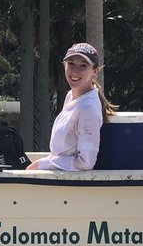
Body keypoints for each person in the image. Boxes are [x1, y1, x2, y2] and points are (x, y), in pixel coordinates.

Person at [27, 43, 116, 171]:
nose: (75, 71)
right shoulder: (71, 96)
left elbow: (85, 163)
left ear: (95, 71)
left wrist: (43, 164)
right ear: (64, 65)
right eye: (71, 64)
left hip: (70, 186)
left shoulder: (87, 109)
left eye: (83, 66)